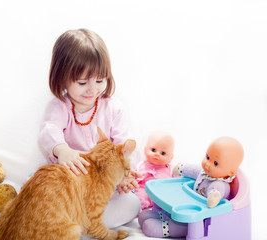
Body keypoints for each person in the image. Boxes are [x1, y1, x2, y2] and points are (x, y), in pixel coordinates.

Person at [38, 28, 142, 228]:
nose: (93, 89)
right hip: (71, 185)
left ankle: (79, 225)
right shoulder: (60, 106)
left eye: (100, 80)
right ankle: (66, 221)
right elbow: (49, 131)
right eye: (83, 82)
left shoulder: (114, 108)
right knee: (36, 186)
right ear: (62, 78)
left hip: (103, 188)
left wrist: (124, 175)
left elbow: (126, 146)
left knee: (132, 204)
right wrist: (63, 151)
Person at [139, 136, 244, 238]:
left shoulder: (219, 184)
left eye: (215, 163)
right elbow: (193, 170)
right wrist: (182, 169)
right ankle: (161, 216)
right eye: (207, 157)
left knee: (180, 225)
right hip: (188, 205)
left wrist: (214, 196)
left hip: (199, 219)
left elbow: (217, 192)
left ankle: (165, 228)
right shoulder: (204, 173)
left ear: (231, 172)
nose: (208, 164)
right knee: (147, 215)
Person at [134, 131, 175, 210]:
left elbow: (177, 182)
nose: (157, 154)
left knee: (169, 199)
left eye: (163, 153)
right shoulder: (140, 165)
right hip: (144, 190)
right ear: (145, 150)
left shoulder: (170, 170)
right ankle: (138, 208)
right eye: (153, 150)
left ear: (170, 158)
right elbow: (132, 176)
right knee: (138, 197)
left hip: (161, 194)